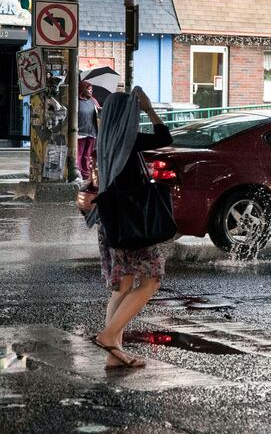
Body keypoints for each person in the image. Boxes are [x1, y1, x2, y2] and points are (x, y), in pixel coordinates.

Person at [86, 86, 173, 369]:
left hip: (112, 223)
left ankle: (114, 353)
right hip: (132, 223)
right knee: (151, 280)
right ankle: (109, 335)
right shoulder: (130, 139)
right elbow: (165, 137)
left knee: (122, 286)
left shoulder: (105, 141)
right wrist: (148, 108)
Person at [77, 80, 99, 180]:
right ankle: (78, 174)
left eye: (92, 90)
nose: (91, 91)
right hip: (80, 133)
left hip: (91, 132)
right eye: (88, 89)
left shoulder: (93, 101)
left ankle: (85, 174)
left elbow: (98, 114)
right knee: (79, 154)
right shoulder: (76, 102)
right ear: (83, 90)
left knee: (87, 155)